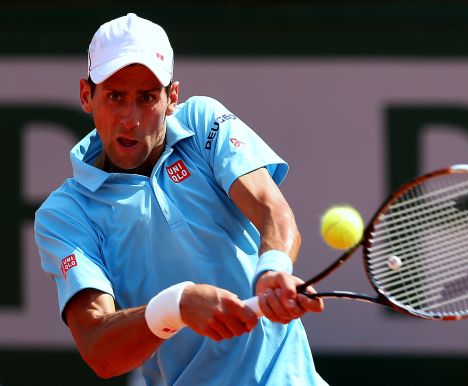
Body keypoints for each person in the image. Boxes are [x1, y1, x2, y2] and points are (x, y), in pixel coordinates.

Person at [34, 13, 327, 386]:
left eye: (147, 98)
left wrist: (272, 269)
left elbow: (272, 210)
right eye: (115, 96)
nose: (130, 118)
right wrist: (177, 305)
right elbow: (99, 348)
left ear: (172, 98)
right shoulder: (65, 215)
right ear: (86, 95)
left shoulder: (204, 122)